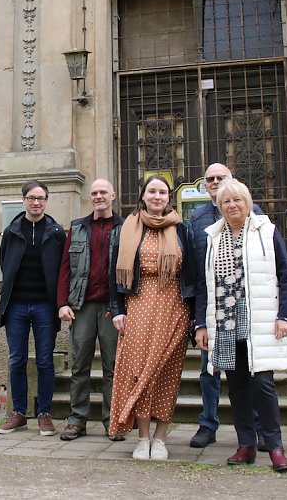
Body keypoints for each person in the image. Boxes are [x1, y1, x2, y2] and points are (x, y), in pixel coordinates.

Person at [195, 179, 287, 472]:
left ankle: (275, 446)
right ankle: (246, 444)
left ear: (247, 202)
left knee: (263, 384)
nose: (232, 205)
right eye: (226, 201)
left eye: (237, 200)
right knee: (236, 387)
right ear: (219, 206)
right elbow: (205, 284)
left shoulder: (267, 231)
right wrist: (201, 324)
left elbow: (285, 275)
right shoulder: (212, 236)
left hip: (260, 320)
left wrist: (285, 315)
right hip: (225, 322)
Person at [108, 175, 197, 461]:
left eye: (162, 192)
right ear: (143, 196)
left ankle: (160, 438)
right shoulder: (128, 229)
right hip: (138, 305)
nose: (157, 197)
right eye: (152, 191)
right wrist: (118, 309)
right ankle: (142, 438)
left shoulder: (183, 230)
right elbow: (114, 273)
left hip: (174, 307)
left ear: (169, 197)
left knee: (166, 372)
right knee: (139, 371)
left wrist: (195, 317)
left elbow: (193, 275)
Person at [189, 163, 266, 450]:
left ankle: (257, 429)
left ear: (233, 180)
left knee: (250, 370)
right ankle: (208, 425)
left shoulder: (253, 213)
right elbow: (197, 272)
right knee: (209, 370)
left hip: (246, 305)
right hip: (211, 306)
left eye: (221, 177)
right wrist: (198, 320)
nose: (215, 182)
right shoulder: (196, 218)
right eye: (210, 179)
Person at [56, 179, 125, 442]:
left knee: (113, 366)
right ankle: (76, 421)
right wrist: (63, 303)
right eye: (94, 193)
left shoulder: (125, 227)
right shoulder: (77, 228)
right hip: (82, 306)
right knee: (79, 365)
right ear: (90, 197)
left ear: (113, 195)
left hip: (112, 307)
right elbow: (65, 268)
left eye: (103, 192)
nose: (98, 196)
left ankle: (112, 420)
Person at [0, 180, 66, 436]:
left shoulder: (56, 232)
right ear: (23, 200)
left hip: (45, 307)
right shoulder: (12, 231)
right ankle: (18, 413)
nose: (36, 202)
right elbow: (6, 265)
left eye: (41, 198)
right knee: (17, 360)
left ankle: (44, 413)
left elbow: (61, 269)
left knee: (45, 361)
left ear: (46, 201)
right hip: (16, 306)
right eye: (32, 198)